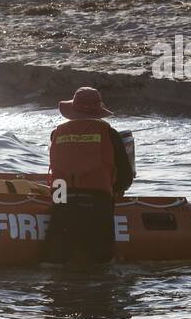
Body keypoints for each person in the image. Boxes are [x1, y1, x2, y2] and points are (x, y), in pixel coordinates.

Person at [45, 86, 134, 264]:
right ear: (98, 111)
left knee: (54, 263)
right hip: (97, 202)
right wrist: (115, 190)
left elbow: (56, 169)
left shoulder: (57, 133)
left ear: (73, 110)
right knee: (100, 264)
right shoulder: (108, 133)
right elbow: (125, 175)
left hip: (62, 201)